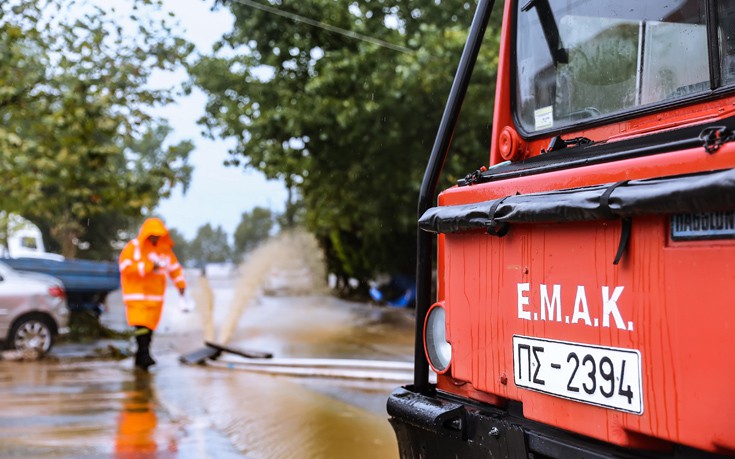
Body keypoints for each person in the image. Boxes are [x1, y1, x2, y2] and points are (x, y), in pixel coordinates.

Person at [118, 218, 186, 371]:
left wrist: (181, 285)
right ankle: (143, 354)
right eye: (152, 235)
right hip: (137, 297)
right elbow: (125, 267)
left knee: (149, 328)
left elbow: (175, 269)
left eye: (157, 235)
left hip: (155, 298)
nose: (155, 238)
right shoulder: (133, 248)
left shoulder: (164, 250)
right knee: (141, 326)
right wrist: (149, 266)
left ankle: (142, 355)